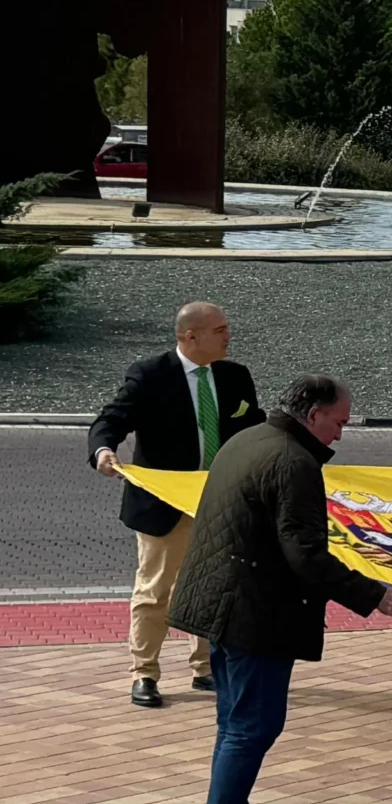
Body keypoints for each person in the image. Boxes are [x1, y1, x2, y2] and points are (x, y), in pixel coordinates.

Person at [168, 376, 392, 804]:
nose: (340, 436)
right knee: (250, 728)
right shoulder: (294, 463)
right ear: (313, 413)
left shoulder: (250, 438)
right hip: (254, 614)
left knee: (236, 725)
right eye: (339, 423)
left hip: (223, 606)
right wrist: (377, 596)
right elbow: (304, 555)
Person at [86, 301, 261, 709]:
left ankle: (206, 668)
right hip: (162, 505)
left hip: (219, 501)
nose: (228, 335)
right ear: (190, 336)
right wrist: (103, 451)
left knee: (214, 587)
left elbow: (254, 425)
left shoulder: (235, 376)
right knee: (156, 591)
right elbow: (110, 420)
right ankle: (144, 673)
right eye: (220, 329)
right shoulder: (150, 374)